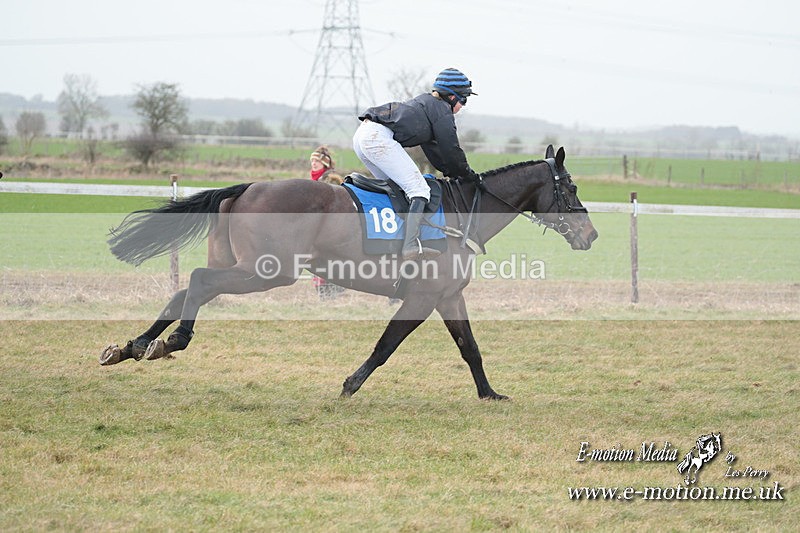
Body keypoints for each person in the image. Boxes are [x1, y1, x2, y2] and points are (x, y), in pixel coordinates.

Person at [353, 67, 482, 260]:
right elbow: (451, 149)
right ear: (452, 97)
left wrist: (453, 173)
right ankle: (410, 246)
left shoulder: (428, 106)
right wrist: (468, 174)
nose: (463, 105)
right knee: (419, 190)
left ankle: (390, 239)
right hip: (377, 138)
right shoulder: (441, 110)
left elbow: (436, 152)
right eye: (463, 99)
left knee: (397, 190)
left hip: (363, 136)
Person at [309, 146, 344, 300]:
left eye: (317, 161)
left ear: (325, 163)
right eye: (312, 161)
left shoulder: (331, 179)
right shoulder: (315, 179)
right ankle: (326, 292)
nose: (314, 164)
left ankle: (331, 289)